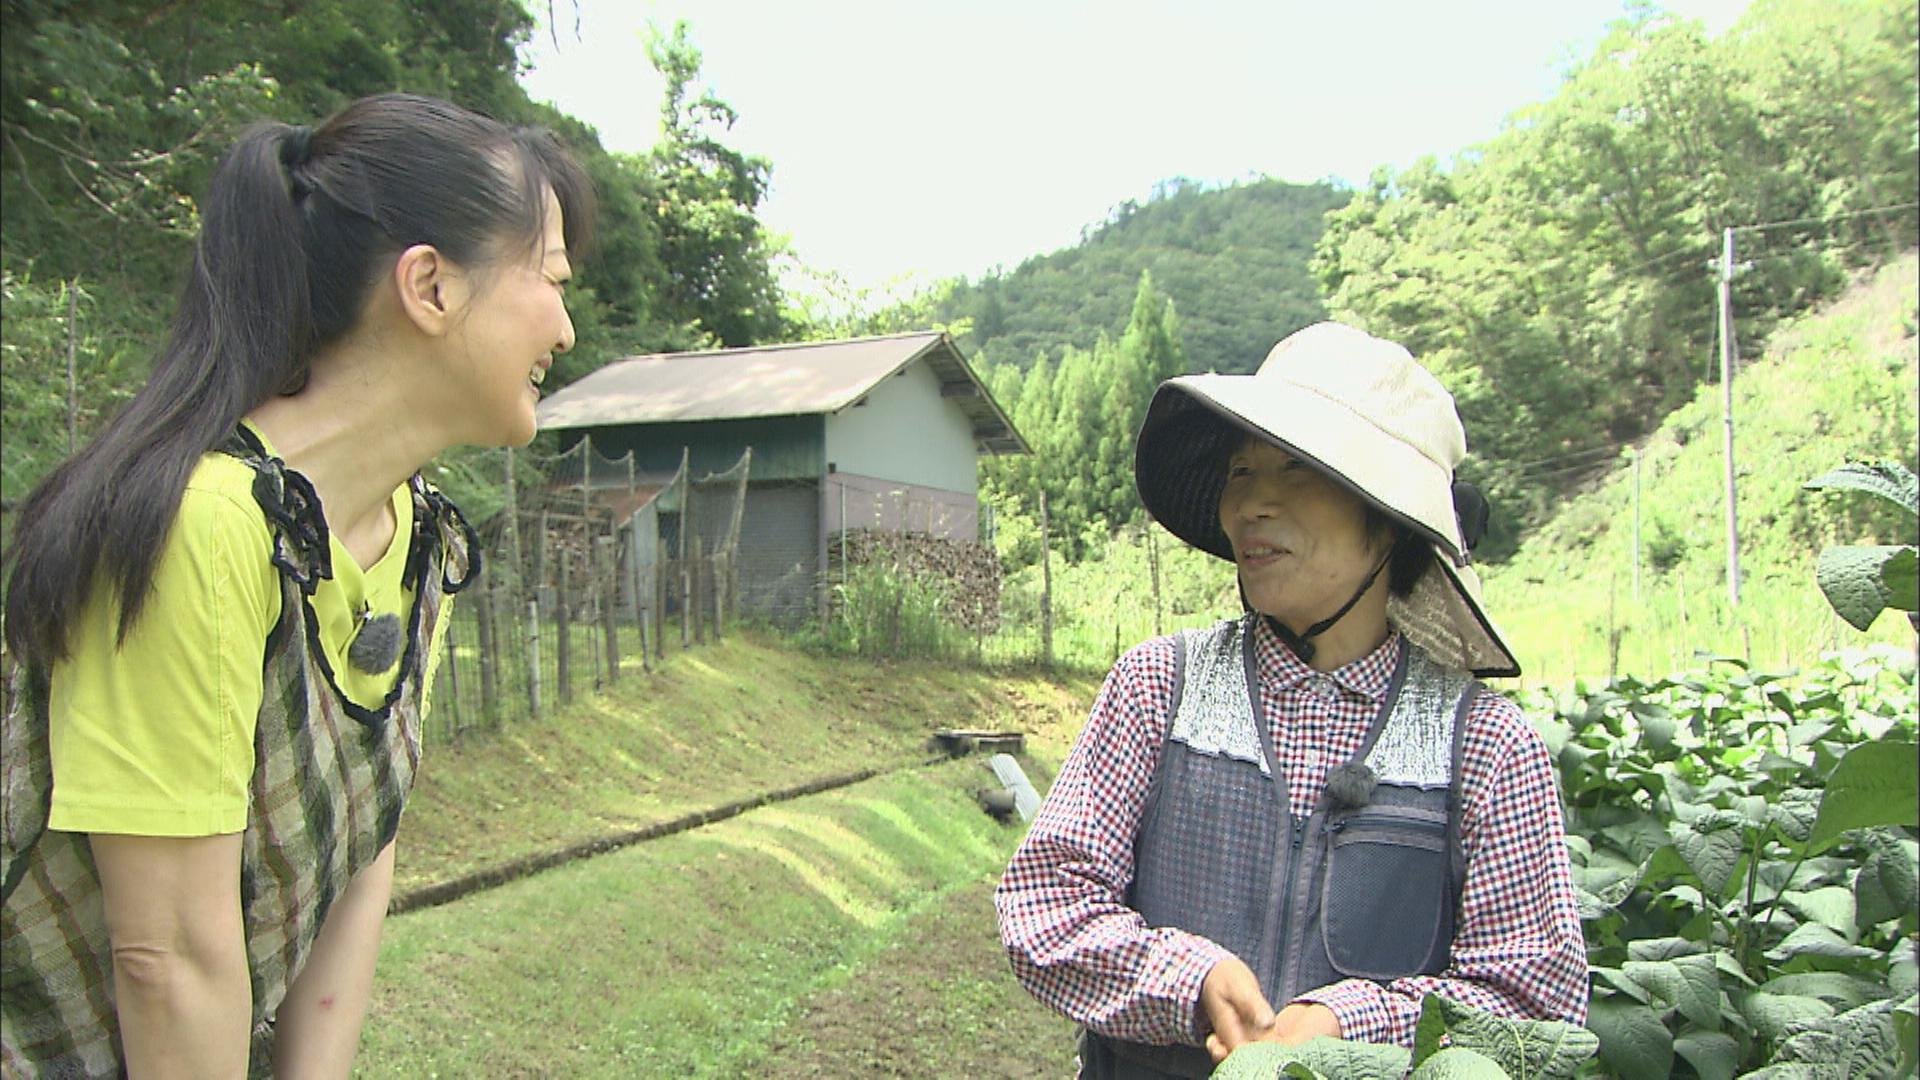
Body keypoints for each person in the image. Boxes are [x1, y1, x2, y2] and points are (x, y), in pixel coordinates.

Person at [1, 93, 592, 1077]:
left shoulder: (412, 539)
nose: (567, 329)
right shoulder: (203, 527)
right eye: (553, 280)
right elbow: (171, 960)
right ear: (430, 288)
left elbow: (362, 848)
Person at [995, 322, 1588, 1078]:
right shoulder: (1159, 689)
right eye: (1240, 474)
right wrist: (1189, 979)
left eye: (1296, 470)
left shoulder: (1485, 746)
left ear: (1390, 522)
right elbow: (1042, 903)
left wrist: (1351, 1022)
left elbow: (1537, 1002)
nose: (1250, 507)